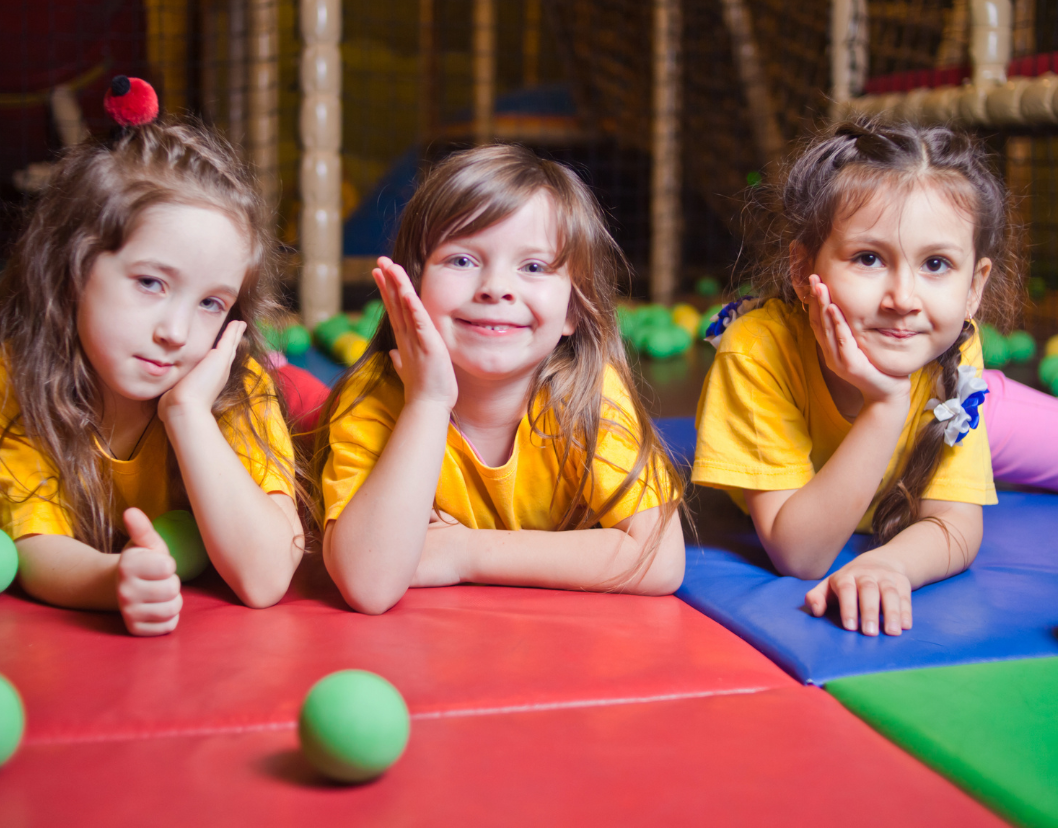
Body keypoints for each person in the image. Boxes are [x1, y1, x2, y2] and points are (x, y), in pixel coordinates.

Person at [0, 79, 304, 635]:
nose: (176, 332)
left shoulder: (232, 385)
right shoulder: (15, 376)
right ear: (73, 268)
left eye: (209, 303)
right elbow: (36, 544)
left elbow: (267, 576)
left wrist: (188, 415)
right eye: (151, 282)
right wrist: (111, 580)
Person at [316, 145, 686, 614]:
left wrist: (463, 551)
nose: (495, 287)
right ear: (413, 286)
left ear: (573, 308)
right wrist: (427, 404)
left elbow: (660, 558)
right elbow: (367, 582)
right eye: (463, 261)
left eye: (532, 267)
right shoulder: (373, 396)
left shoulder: (588, 394)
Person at [694, 119, 1024, 637]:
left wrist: (892, 564)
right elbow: (800, 554)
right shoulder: (757, 351)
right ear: (805, 271)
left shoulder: (954, 351)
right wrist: (886, 404)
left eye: (936, 264)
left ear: (973, 288)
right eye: (869, 258)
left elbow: (956, 523)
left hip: (978, 419)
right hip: (909, 423)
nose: (904, 300)